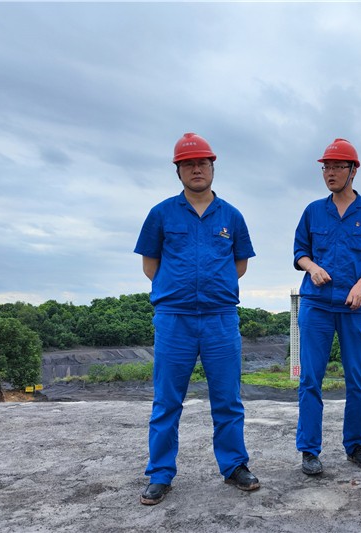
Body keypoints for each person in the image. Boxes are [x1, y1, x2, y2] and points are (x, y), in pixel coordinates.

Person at [134, 132, 260, 505]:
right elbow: (150, 266)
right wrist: (179, 290)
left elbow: (239, 265)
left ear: (212, 167)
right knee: (167, 400)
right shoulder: (161, 214)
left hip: (221, 318)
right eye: (188, 164)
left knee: (227, 399)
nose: (196, 169)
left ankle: (234, 466)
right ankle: (160, 473)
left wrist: (213, 288)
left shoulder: (231, 216)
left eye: (202, 163)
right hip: (174, 319)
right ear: (178, 170)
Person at [293, 138, 361, 476]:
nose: (330, 173)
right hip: (317, 305)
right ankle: (309, 451)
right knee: (310, 378)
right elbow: (300, 252)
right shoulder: (313, 211)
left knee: (357, 379)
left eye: (337, 167)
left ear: (353, 171)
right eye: (326, 167)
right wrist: (312, 267)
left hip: (356, 307)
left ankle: (356, 446)